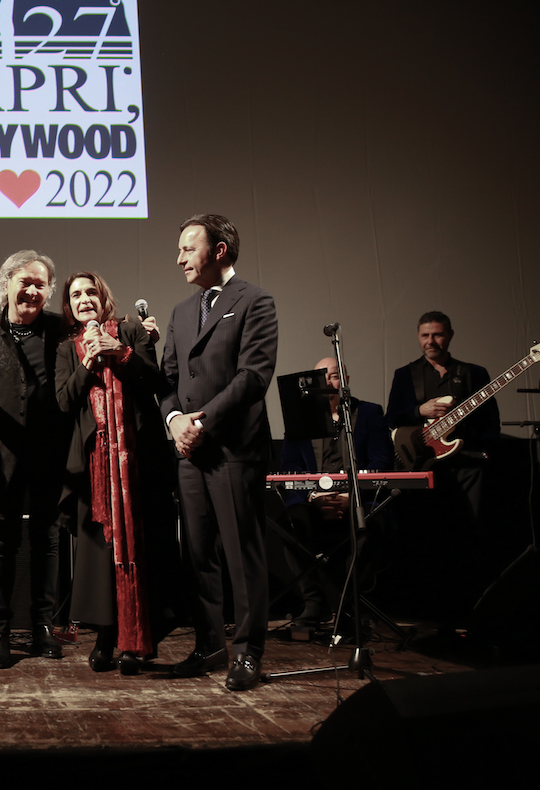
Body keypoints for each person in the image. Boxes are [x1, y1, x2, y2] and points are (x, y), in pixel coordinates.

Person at [160, 214, 278, 692]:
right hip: (189, 451)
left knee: (240, 554)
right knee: (198, 555)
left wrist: (201, 423)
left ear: (220, 250)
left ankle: (248, 652)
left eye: (188, 248)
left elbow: (253, 377)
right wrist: (174, 420)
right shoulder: (181, 311)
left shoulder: (255, 301)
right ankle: (209, 646)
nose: (180, 258)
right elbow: (168, 379)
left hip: (232, 448)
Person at [54, 272, 171, 674]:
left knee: (140, 547)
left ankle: (137, 643)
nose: (84, 299)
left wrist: (119, 352)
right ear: (69, 306)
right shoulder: (67, 348)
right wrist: (87, 362)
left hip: (138, 460)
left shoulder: (132, 331)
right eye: (75, 295)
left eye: (90, 291)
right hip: (93, 466)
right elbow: (64, 401)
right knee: (101, 553)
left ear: (103, 296)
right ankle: (106, 636)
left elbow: (154, 379)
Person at [0, 250, 72, 668]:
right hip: (1, 453)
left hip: (51, 454)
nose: (31, 290)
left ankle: (44, 626)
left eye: (40, 284)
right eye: (24, 281)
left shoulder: (61, 329)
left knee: (47, 540)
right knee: (1, 543)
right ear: (6, 284)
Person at [385, 311, 499, 623]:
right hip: (424, 468)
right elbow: (391, 419)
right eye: (425, 335)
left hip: (466, 468)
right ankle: (427, 611)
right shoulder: (405, 374)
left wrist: (483, 451)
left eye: (436, 335)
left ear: (449, 335)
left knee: (467, 537)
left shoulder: (474, 373)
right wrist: (418, 410)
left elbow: (491, 422)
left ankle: (466, 613)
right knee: (426, 538)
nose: (430, 341)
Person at [278, 357, 393, 629]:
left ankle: (348, 605)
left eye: (333, 376)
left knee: (371, 523)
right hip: (315, 500)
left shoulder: (368, 413)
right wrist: (313, 497)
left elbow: (381, 461)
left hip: (357, 499)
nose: (328, 383)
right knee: (290, 523)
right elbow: (290, 467)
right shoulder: (301, 418)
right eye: (322, 377)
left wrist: (351, 496)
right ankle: (314, 602)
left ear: (346, 381)